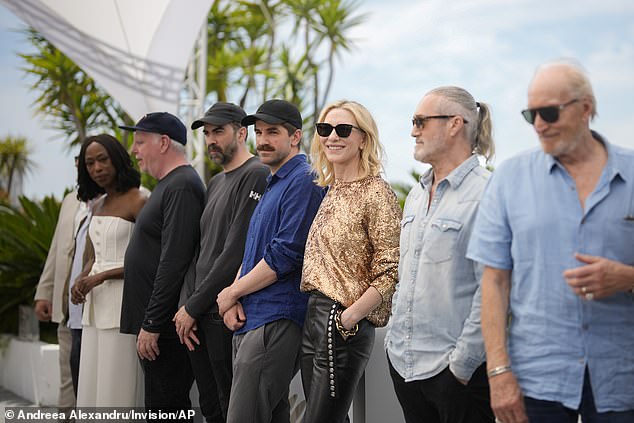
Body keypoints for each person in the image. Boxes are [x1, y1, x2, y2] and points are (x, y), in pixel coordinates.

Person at [467, 60, 634, 423]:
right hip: (536, 381)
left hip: (622, 380)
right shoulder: (509, 178)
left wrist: (628, 279)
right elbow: (494, 283)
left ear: (586, 108)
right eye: (532, 115)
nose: (539, 125)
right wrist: (498, 374)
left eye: (549, 113)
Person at [384, 86, 496, 423]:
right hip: (404, 367)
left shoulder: (487, 193)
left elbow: (492, 290)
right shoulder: (417, 194)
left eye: (421, 121)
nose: (413, 130)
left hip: (458, 377)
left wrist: (461, 367)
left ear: (454, 124)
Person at [215, 99, 324, 423]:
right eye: (259, 132)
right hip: (252, 316)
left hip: (276, 316)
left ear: (295, 137)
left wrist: (232, 293)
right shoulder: (273, 182)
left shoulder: (304, 179)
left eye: (272, 132)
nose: (262, 140)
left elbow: (285, 255)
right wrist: (235, 294)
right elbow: (254, 251)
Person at [300, 100, 401, 422]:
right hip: (314, 318)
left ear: (363, 139)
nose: (332, 136)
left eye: (343, 129)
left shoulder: (376, 192)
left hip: (342, 322)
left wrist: (349, 317)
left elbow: (392, 267)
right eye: (324, 129)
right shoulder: (331, 190)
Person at [174, 102, 269, 422]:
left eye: (219, 131)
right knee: (210, 406)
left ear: (241, 133)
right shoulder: (215, 183)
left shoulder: (255, 175)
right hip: (200, 313)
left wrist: (193, 306)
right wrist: (188, 306)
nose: (211, 139)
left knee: (232, 406)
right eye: (208, 133)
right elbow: (200, 252)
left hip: (224, 313)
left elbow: (235, 252)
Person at [119, 112, 205, 413]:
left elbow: (174, 260)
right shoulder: (170, 184)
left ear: (164, 143)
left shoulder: (181, 186)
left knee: (166, 408)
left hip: (166, 330)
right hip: (159, 327)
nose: (134, 150)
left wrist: (153, 322)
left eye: (140, 142)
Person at [70, 134, 146, 406]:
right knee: (93, 383)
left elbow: (148, 261)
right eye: (89, 164)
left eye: (102, 160)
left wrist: (100, 276)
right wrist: (82, 276)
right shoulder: (98, 204)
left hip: (122, 306)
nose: (97, 168)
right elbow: (94, 253)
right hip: (94, 306)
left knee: (117, 384)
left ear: (117, 159)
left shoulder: (139, 200)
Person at [34, 157, 92, 415]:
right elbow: (56, 249)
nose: (84, 167)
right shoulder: (70, 200)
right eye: (81, 161)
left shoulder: (119, 199)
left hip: (97, 309)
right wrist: (44, 292)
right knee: (67, 380)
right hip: (66, 310)